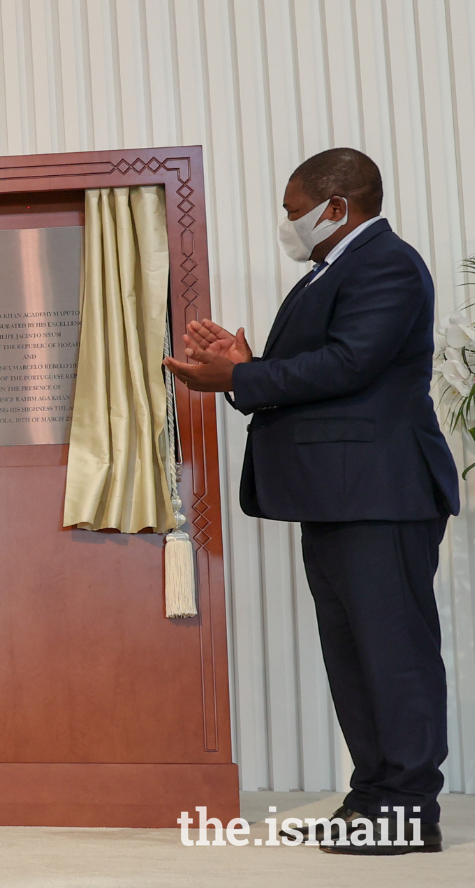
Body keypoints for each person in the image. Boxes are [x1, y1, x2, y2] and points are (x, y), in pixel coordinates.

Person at [165, 148, 458, 855]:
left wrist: (244, 373)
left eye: (294, 209)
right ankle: (373, 797)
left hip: (380, 494)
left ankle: (408, 813)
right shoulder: (329, 273)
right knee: (354, 657)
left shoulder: (386, 262)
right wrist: (243, 364)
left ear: (337, 207)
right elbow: (321, 369)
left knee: (395, 655)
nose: (288, 222)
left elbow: (350, 363)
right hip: (337, 496)